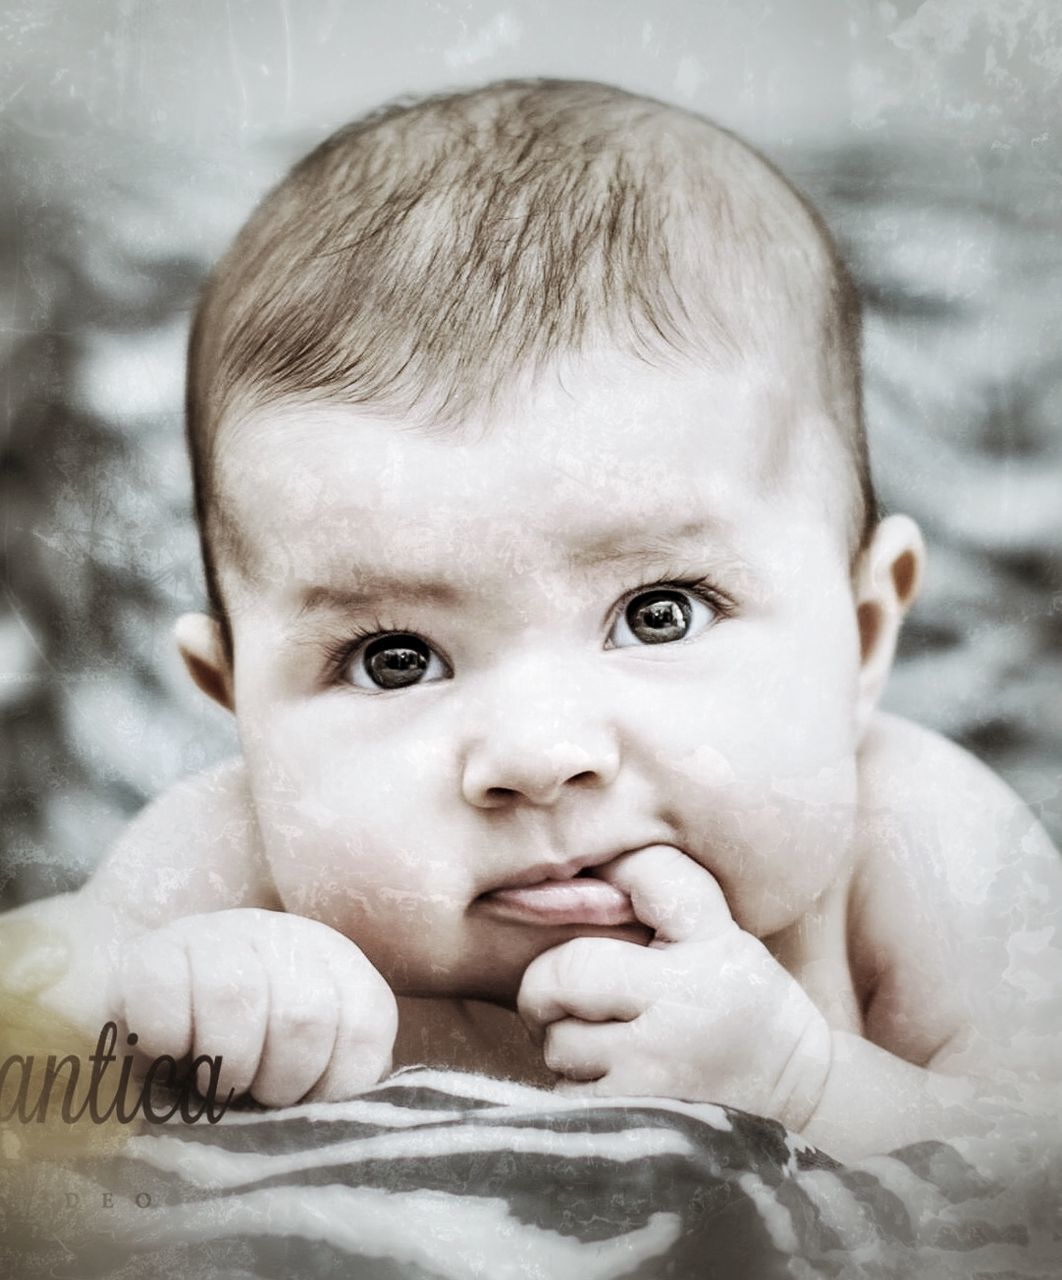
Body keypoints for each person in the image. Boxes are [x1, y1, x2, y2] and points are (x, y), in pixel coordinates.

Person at [6, 78, 1061, 1165]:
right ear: (241, 702)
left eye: (658, 614)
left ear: (867, 629)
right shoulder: (227, 866)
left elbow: (1037, 1176)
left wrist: (809, 1081)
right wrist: (144, 1028)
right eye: (394, 657)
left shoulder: (924, 848)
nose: (539, 754)